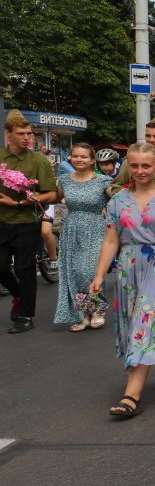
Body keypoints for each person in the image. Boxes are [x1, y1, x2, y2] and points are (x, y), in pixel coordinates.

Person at [87, 143, 155, 417]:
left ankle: (131, 395)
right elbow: (111, 239)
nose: (140, 171)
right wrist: (98, 275)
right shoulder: (118, 201)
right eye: (134, 166)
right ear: (128, 167)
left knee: (146, 321)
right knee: (138, 320)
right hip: (128, 268)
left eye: (146, 165)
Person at [0, 110, 58, 333]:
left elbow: (52, 195)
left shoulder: (38, 161)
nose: (27, 137)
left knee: (25, 270)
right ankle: (18, 296)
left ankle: (25, 316)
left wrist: (25, 201)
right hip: (1, 222)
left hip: (26, 222)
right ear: (8, 133)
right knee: (1, 267)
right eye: (21, 133)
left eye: (29, 133)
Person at [54, 143, 112, 331]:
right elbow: (56, 198)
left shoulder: (103, 180)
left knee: (90, 271)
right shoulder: (64, 180)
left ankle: (98, 310)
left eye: (84, 157)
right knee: (76, 273)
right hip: (72, 229)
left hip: (96, 228)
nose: (79, 159)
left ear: (92, 160)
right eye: (75, 156)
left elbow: (120, 198)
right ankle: (84, 314)